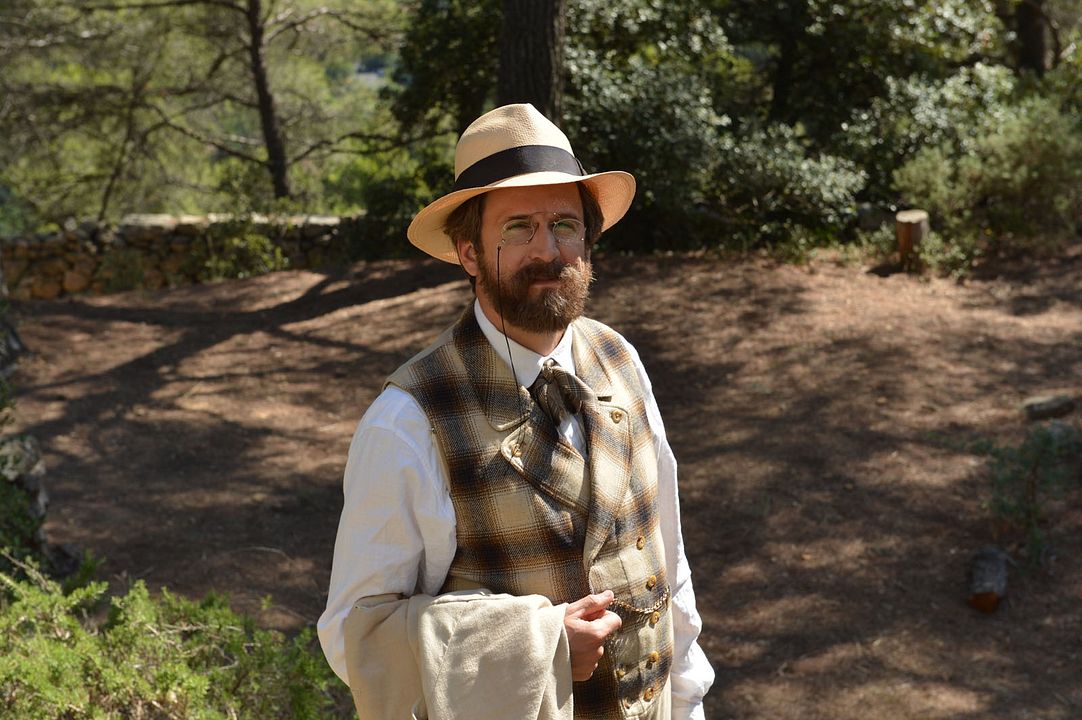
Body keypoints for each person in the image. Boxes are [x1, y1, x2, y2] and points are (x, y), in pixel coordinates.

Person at [318, 103, 713, 719]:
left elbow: (667, 553)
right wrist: (539, 648)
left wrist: (687, 702)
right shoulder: (407, 422)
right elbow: (355, 636)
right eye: (517, 228)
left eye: (565, 225)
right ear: (469, 252)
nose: (547, 250)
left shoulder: (620, 359)